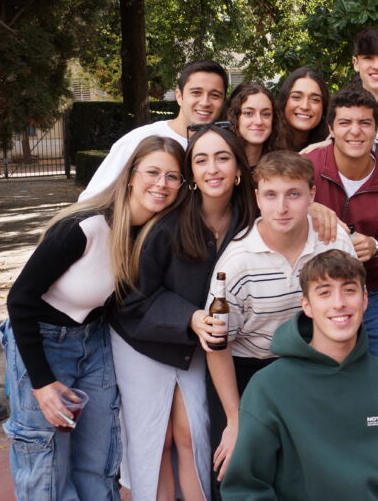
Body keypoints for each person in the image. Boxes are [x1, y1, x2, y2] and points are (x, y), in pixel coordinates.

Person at [0, 136, 185, 500]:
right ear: (131, 176)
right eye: (152, 172)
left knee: (99, 460)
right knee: (46, 461)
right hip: (41, 340)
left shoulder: (152, 233)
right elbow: (19, 298)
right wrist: (41, 382)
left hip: (95, 340)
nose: (161, 184)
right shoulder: (84, 227)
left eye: (172, 177)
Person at [220, 250, 378, 500]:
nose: (339, 303)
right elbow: (245, 490)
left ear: (365, 300)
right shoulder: (269, 388)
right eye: (325, 292)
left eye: (349, 290)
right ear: (306, 306)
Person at [110, 125, 258, 501]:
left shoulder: (252, 218)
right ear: (190, 173)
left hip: (201, 349)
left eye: (223, 158)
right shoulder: (168, 224)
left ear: (238, 167)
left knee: (192, 433)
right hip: (144, 339)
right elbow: (133, 296)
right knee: (154, 439)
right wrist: (190, 317)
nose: (213, 168)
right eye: (201, 159)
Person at [204, 151, 356, 479]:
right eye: (271, 195)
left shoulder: (334, 241)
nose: (282, 208)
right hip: (250, 369)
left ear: (312, 195)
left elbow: (349, 312)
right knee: (236, 464)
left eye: (294, 195)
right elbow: (218, 346)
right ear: (257, 197)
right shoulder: (237, 264)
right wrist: (235, 420)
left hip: (312, 364)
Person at [304, 86, 378, 372]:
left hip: (369, 290)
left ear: (376, 129)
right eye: (345, 123)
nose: (355, 131)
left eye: (364, 123)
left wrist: (375, 249)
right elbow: (273, 207)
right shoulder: (307, 168)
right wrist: (305, 203)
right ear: (331, 129)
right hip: (307, 289)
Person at [81, 60, 228, 200]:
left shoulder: (224, 147)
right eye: (196, 93)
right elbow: (93, 200)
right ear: (179, 96)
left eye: (214, 95)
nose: (205, 102)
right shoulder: (140, 139)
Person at [276, 65, 378, 167]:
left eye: (315, 100)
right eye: (296, 97)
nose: (305, 106)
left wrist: (335, 143)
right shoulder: (269, 135)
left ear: (324, 106)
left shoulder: (331, 135)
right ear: (284, 100)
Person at [227, 81, 287, 169]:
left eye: (266, 114)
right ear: (235, 117)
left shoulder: (283, 165)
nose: (259, 121)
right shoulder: (221, 165)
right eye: (248, 113)